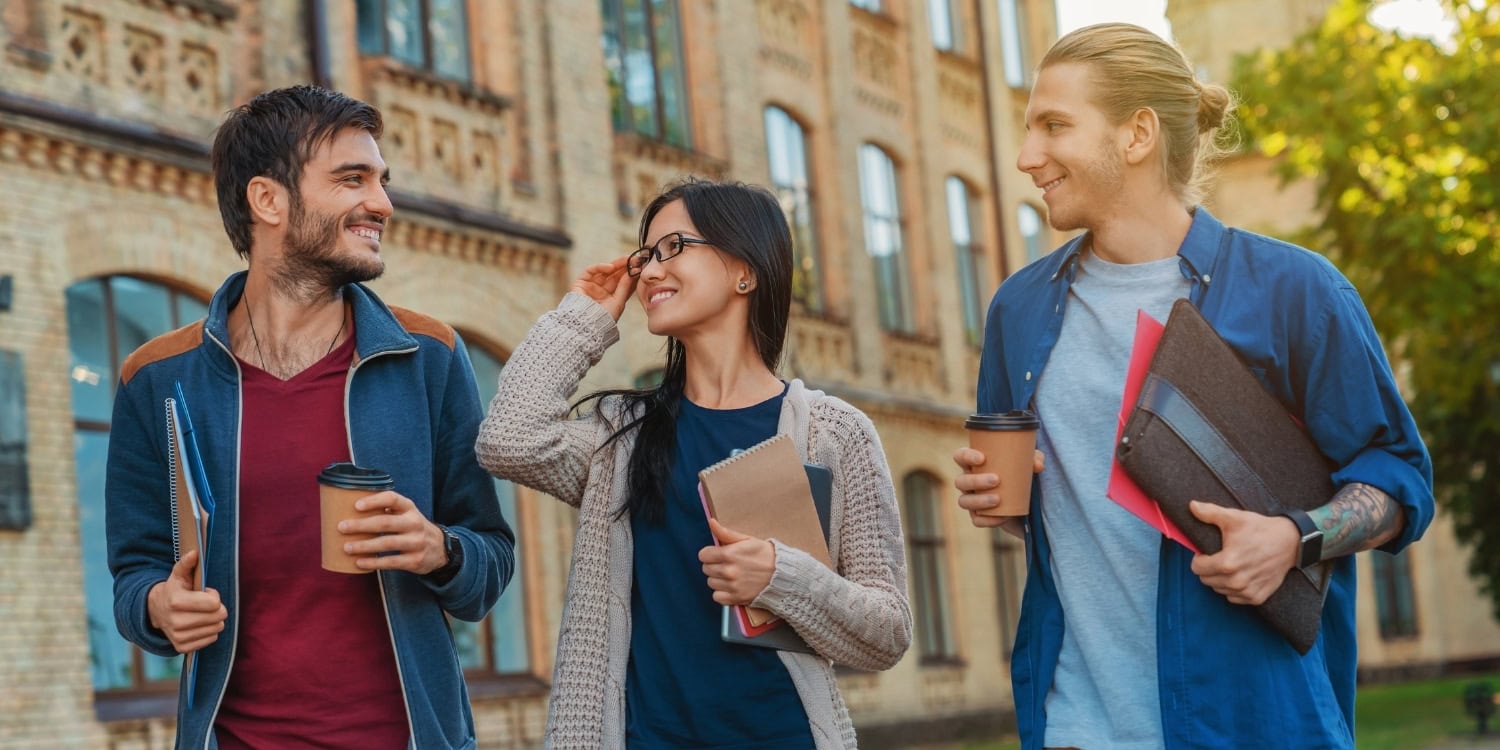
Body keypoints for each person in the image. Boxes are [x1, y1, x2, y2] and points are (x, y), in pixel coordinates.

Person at [951, 23, 1434, 750]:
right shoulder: (1018, 311)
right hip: (1075, 727)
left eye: (1054, 126)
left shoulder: (1295, 292)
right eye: (1027, 129)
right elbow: (1061, 512)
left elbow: (1399, 478)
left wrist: (1294, 538)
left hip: (1256, 724)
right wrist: (1005, 501)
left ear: (1137, 133)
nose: (1027, 157)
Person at [106, 85, 515, 749]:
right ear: (267, 200)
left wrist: (439, 549)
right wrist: (159, 606)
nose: (380, 203)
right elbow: (135, 572)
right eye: (352, 179)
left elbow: (490, 563)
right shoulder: (157, 378)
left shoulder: (428, 357)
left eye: (382, 181)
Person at [476, 178, 911, 748]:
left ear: (744, 270)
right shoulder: (623, 436)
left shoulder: (834, 434)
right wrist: (583, 319)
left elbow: (887, 633)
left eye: (674, 248)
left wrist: (783, 578)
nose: (651, 272)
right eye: (647, 255)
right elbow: (507, 439)